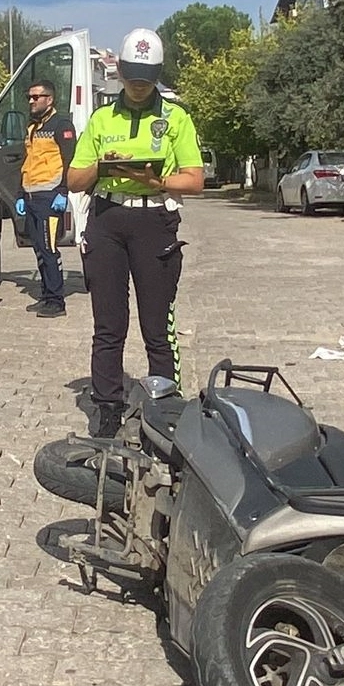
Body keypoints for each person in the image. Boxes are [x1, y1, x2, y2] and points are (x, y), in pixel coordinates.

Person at [66, 29, 204, 437]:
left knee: (157, 326)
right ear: (121, 72)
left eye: (147, 78)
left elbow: (195, 180)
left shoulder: (175, 118)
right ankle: (107, 407)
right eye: (132, 77)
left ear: (157, 74)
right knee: (108, 325)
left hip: (154, 220)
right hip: (107, 219)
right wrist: (102, 165)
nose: (139, 85)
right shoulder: (101, 118)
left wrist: (159, 181)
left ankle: (166, 408)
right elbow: (74, 179)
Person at [18, 79, 77, 317]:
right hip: (32, 195)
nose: (31, 101)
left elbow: (70, 159)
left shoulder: (61, 125)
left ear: (49, 99)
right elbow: (27, 162)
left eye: (36, 97)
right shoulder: (32, 127)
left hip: (50, 197)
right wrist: (20, 194)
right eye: (29, 97)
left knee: (50, 249)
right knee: (39, 249)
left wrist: (63, 191)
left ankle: (56, 301)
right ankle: (46, 295)